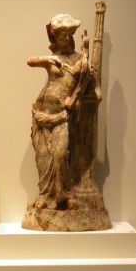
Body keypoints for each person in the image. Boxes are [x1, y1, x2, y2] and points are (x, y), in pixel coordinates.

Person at [27, 14, 90, 211]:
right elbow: (30, 61)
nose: (64, 37)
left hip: (62, 115)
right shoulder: (53, 59)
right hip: (41, 112)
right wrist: (49, 58)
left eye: (67, 34)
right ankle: (45, 195)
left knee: (61, 154)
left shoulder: (78, 59)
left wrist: (86, 51)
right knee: (43, 157)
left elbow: (85, 80)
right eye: (60, 34)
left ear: (71, 36)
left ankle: (62, 194)